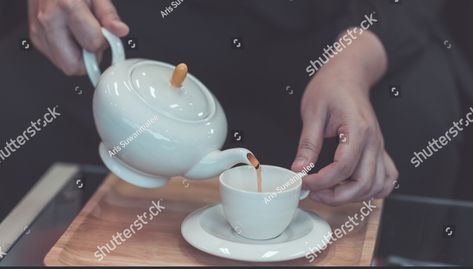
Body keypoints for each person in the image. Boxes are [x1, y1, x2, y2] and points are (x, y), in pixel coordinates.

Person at [24, 0, 472, 205]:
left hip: (339, 29)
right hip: (137, 22)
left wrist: (351, 63)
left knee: (418, 117)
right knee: (21, 110)